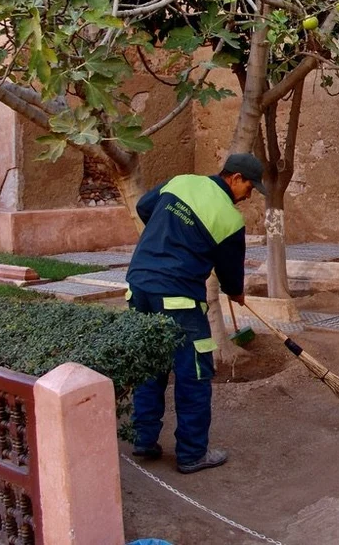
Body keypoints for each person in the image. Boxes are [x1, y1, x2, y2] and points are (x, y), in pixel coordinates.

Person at [125, 153, 265, 473]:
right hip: (179, 299)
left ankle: (144, 439)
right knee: (195, 374)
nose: (249, 195)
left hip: (138, 286)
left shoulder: (181, 182)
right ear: (235, 178)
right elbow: (230, 273)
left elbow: (145, 207)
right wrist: (236, 292)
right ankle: (192, 453)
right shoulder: (229, 220)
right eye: (250, 187)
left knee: (150, 362)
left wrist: (171, 233)